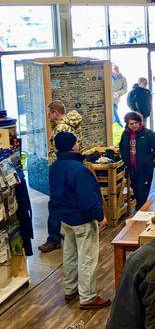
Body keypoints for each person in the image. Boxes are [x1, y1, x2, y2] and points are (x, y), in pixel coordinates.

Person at [49, 131, 110, 309]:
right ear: (72, 146)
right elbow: (87, 198)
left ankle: (70, 289)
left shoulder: (55, 166)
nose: (78, 143)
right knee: (87, 258)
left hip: (65, 218)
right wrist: (99, 216)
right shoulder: (79, 169)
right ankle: (88, 296)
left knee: (69, 255)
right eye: (76, 141)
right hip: (82, 219)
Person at [39, 101, 83, 253]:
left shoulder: (61, 128)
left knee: (55, 203)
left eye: (49, 113)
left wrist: (56, 167)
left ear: (55, 113)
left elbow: (60, 149)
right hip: (69, 167)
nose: (48, 116)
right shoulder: (69, 125)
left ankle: (54, 238)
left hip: (62, 168)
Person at [119, 111, 155, 209]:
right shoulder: (125, 134)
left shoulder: (148, 134)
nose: (134, 125)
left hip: (145, 168)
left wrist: (148, 159)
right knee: (136, 189)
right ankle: (140, 209)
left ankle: (140, 211)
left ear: (139, 122)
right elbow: (121, 147)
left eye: (136, 123)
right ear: (127, 124)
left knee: (142, 192)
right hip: (131, 167)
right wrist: (124, 157)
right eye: (131, 124)